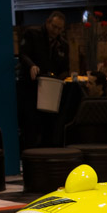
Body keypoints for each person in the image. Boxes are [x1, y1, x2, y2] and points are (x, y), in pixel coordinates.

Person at [17, 11, 70, 148]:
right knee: (31, 125)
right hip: (31, 86)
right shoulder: (32, 34)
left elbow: (65, 68)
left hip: (51, 89)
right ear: (47, 22)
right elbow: (23, 55)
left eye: (59, 29)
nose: (56, 31)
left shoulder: (62, 44)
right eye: (54, 27)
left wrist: (61, 78)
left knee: (50, 125)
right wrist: (32, 66)